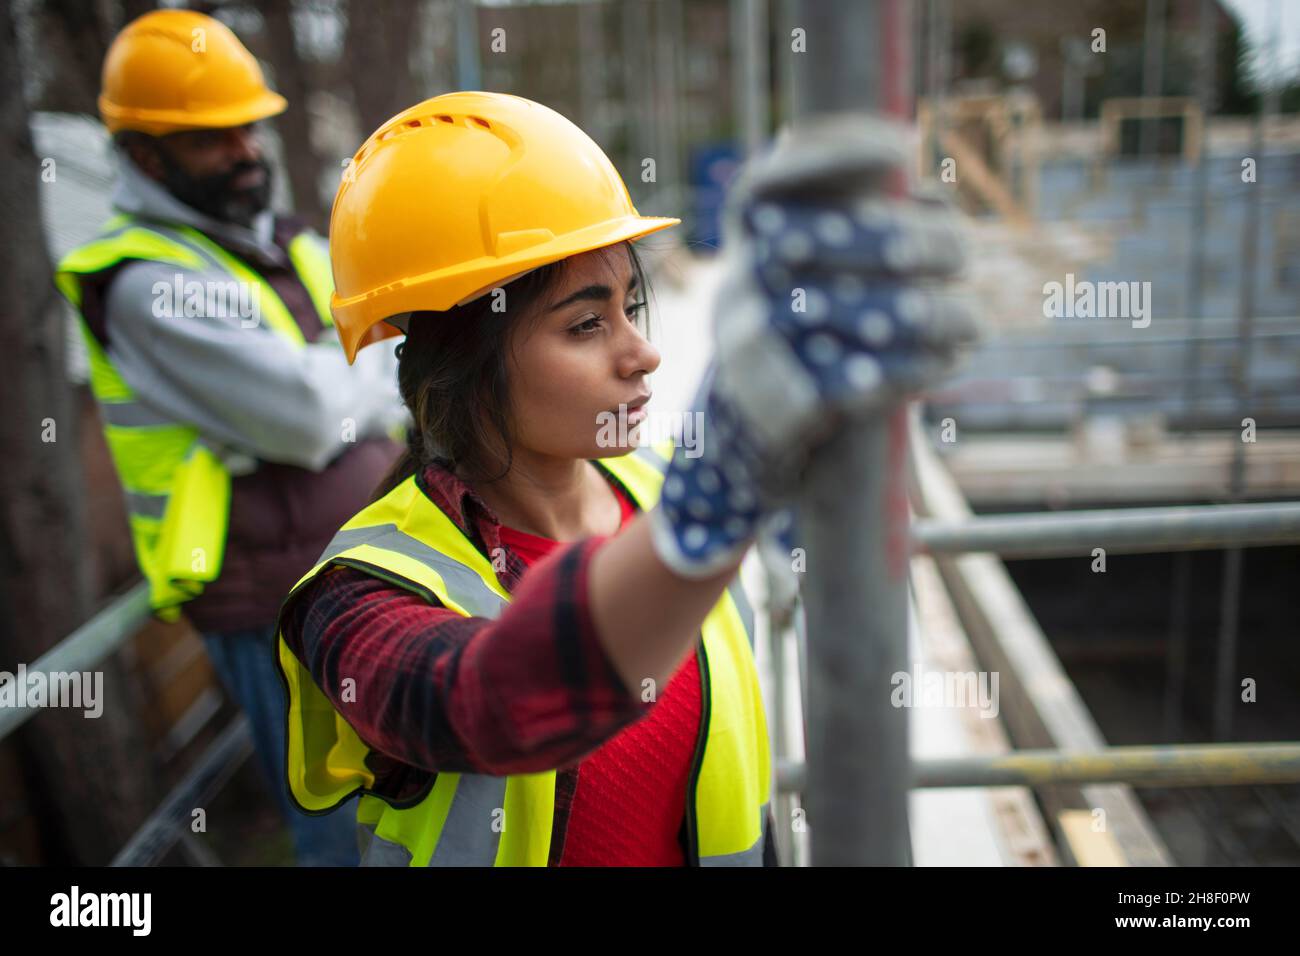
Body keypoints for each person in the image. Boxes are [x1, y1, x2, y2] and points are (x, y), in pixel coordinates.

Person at [275, 91, 973, 866]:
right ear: (463, 368)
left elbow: (733, 790)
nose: (642, 354)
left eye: (630, 306)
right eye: (585, 324)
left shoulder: (658, 489)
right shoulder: (354, 594)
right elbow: (485, 706)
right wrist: (710, 510)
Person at [53, 10, 408, 866]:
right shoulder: (148, 284)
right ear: (144, 155)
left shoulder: (277, 242)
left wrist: (359, 372)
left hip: (352, 562)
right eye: (214, 139)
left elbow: (375, 374)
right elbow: (313, 415)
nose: (247, 149)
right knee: (342, 830)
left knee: (399, 806)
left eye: (248, 126)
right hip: (272, 605)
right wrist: (368, 366)